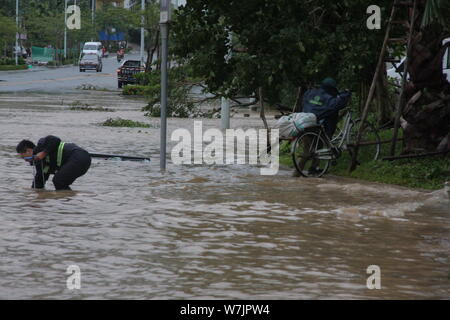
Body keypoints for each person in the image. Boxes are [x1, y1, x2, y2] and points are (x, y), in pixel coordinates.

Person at [16, 135, 91, 190]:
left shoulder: (42, 144)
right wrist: (34, 192)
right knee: (60, 183)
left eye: (24, 157)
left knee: (58, 180)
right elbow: (39, 181)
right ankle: (69, 201)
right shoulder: (40, 164)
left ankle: (68, 201)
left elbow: (55, 139)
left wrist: (43, 153)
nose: (26, 160)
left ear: (29, 150)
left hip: (79, 156)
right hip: (81, 161)